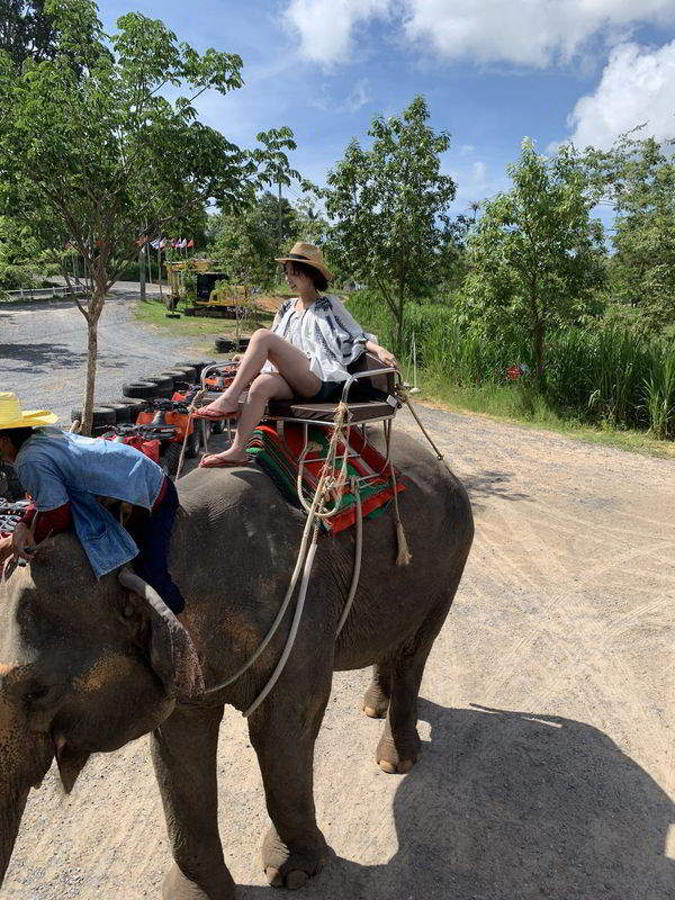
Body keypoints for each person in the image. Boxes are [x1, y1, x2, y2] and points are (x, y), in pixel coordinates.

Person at [196, 242, 398, 467]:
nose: (289, 279)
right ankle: (237, 450)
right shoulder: (286, 308)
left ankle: (230, 399)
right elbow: (275, 344)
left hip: (318, 378)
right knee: (261, 384)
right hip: (292, 378)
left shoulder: (329, 304)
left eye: (295, 274)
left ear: (311, 275)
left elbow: (356, 334)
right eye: (287, 273)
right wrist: (247, 359)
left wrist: (380, 349)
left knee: (262, 336)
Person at [0, 391, 185, 614]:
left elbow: (58, 514)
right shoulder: (39, 436)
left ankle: (178, 622)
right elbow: (46, 495)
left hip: (151, 492)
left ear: (4, 441)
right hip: (131, 477)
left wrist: (23, 540)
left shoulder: (28, 460)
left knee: (151, 575)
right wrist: (23, 524)